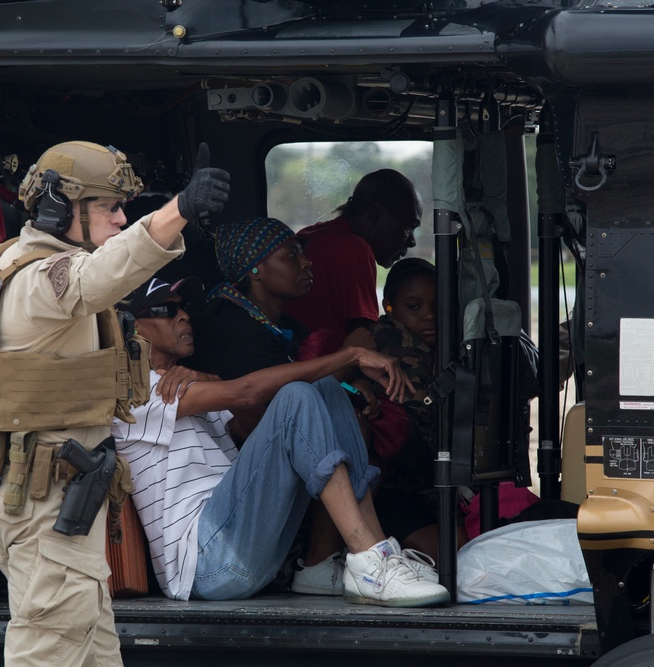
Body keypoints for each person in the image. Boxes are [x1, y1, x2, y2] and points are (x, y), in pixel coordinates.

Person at [0, 141, 230, 667]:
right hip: (46, 512)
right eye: (107, 206)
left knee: (93, 651)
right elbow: (102, 275)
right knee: (50, 653)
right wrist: (177, 210)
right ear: (58, 211)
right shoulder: (48, 283)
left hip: (46, 504)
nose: (120, 216)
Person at [112, 278, 450, 608]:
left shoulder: (184, 384)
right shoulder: (133, 394)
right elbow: (250, 394)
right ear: (133, 327)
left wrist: (212, 379)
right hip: (206, 565)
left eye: (183, 307)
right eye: (166, 309)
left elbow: (262, 430)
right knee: (299, 394)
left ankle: (330, 561)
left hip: (241, 547)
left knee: (325, 390)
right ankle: (369, 559)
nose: (183, 315)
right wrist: (350, 356)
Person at [354, 257, 467, 556]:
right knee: (453, 555)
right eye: (414, 307)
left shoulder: (447, 349)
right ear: (388, 305)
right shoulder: (385, 343)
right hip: (391, 489)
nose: (429, 316)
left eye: (437, 305)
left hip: (427, 488)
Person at [282, 169, 424, 349]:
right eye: (407, 227)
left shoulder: (311, 234)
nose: (412, 241)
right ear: (375, 214)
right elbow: (365, 339)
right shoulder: (353, 248)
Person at [188, 216, 311, 381]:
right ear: (255, 270)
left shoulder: (289, 325)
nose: (307, 262)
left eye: (301, 253)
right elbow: (284, 393)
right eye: (291, 255)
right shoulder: (232, 329)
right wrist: (346, 358)